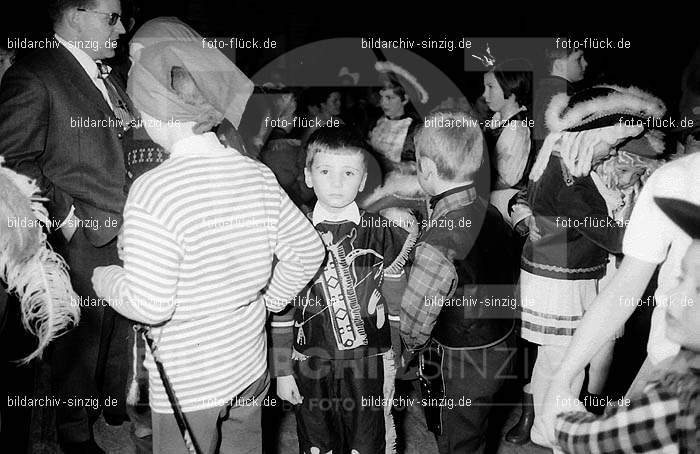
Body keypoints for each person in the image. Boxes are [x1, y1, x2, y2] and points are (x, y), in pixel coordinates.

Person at [91, 40, 325, 453]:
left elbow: (151, 307)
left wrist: (105, 278)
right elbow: (308, 251)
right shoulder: (256, 174)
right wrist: (269, 299)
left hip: (189, 385)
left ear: (158, 111)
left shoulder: (153, 190)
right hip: (248, 364)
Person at [0, 1, 137, 451]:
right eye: (111, 18)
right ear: (76, 16)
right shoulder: (36, 73)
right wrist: (68, 220)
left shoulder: (106, 74)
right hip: (79, 240)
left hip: (124, 230)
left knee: (115, 340)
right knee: (79, 351)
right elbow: (12, 160)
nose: (120, 30)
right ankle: (74, 436)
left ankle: (109, 414)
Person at [512, 85, 666, 447]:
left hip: (556, 275)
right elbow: (615, 240)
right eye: (610, 144)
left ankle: (545, 427)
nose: (611, 152)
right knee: (567, 365)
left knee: (552, 361)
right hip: (560, 282)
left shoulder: (557, 163)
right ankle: (555, 430)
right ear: (589, 137)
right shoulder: (570, 185)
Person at [271, 126, 417, 454]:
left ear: (363, 179)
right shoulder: (292, 234)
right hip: (311, 363)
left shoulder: (384, 233)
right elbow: (282, 309)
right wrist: (282, 370)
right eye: (325, 171)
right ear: (308, 176)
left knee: (368, 443)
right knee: (317, 443)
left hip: (368, 364)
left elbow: (396, 304)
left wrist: (393, 361)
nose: (336, 183)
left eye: (348, 172)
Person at [540, 150, 700, 446]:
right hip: (665, 358)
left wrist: (561, 423)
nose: (673, 295)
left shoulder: (680, 402)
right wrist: (563, 379)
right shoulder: (677, 178)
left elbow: (599, 442)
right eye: (679, 277)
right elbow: (626, 283)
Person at [400, 110, 518, 454]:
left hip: (462, 361)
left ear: (428, 169)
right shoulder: (491, 211)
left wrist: (409, 350)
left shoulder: (438, 242)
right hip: (501, 342)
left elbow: (416, 316)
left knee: (457, 438)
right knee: (477, 428)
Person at [532, 44, 587, 151]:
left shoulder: (543, 90)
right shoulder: (562, 94)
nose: (585, 63)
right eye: (578, 59)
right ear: (559, 65)